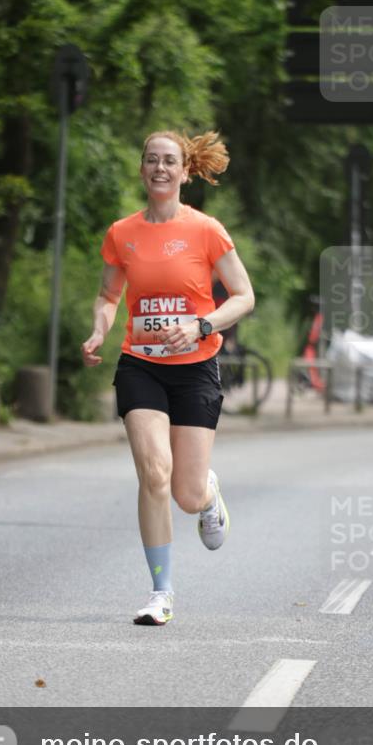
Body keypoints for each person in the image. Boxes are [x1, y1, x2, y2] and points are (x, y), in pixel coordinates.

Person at [81, 130, 255, 625]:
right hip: (140, 366)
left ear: (184, 172)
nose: (160, 168)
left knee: (184, 492)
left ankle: (207, 494)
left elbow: (243, 296)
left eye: (169, 161)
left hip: (196, 367)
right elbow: (108, 296)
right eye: (151, 160)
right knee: (153, 473)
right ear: (142, 169)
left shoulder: (206, 230)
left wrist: (202, 324)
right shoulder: (122, 233)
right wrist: (98, 331)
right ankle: (161, 593)